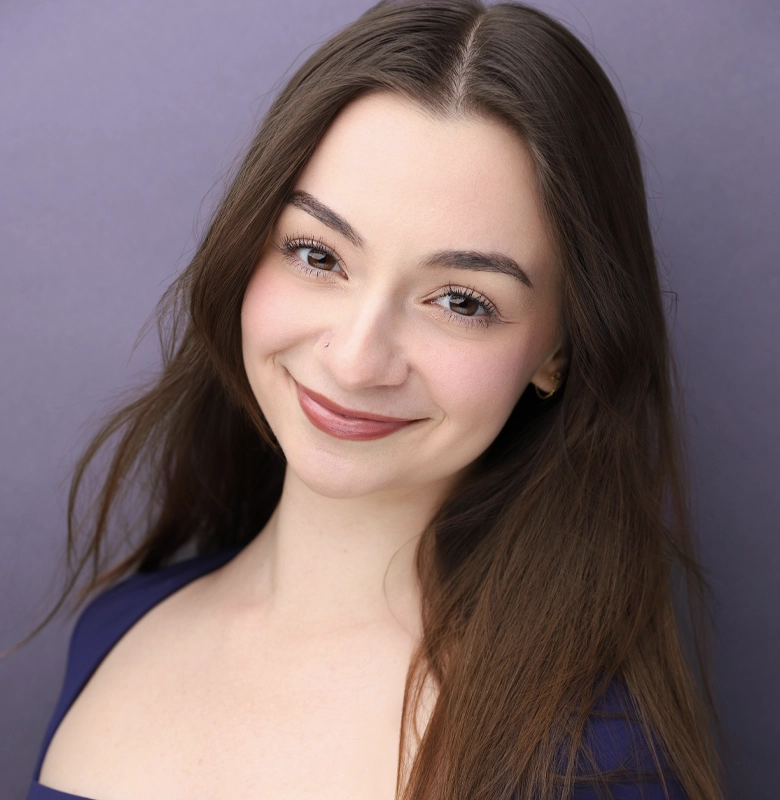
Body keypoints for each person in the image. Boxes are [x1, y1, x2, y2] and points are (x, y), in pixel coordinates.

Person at [23, 1, 725, 798]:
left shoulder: (592, 760)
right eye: (318, 255)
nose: (357, 361)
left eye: (461, 301)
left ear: (558, 350)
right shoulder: (117, 627)